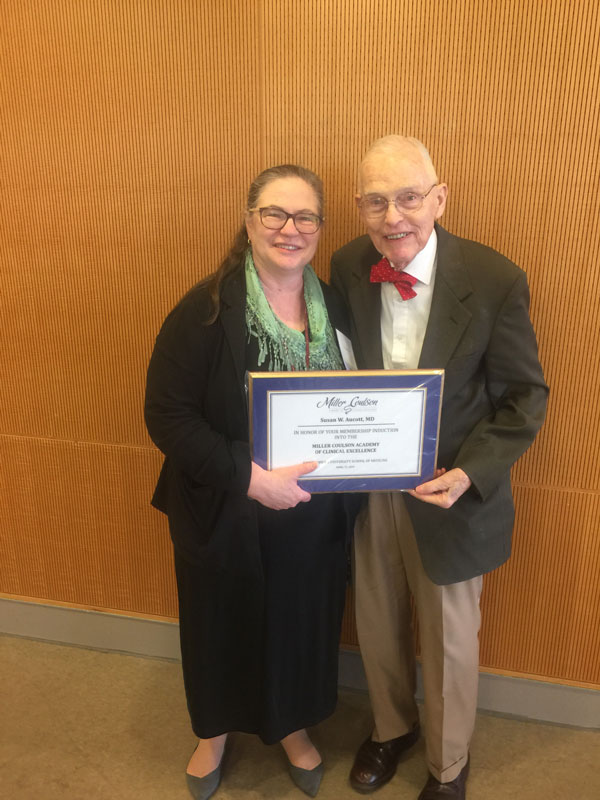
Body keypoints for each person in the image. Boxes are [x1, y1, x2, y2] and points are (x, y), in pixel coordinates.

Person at [330, 135, 548, 800]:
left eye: (408, 197)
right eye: (376, 201)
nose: (393, 216)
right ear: (359, 207)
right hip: (371, 483)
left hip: (451, 489)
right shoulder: (344, 265)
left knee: (450, 635)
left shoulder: (494, 278)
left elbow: (524, 396)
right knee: (377, 614)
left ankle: (449, 764)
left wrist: (471, 472)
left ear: (440, 198)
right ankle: (393, 727)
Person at [145, 164, 352, 800]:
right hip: (224, 505)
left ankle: (290, 727)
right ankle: (214, 732)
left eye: (305, 217)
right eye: (275, 214)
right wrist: (248, 477)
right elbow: (166, 415)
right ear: (249, 220)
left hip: (311, 511)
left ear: (320, 227)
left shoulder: (335, 303)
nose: (291, 229)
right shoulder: (205, 308)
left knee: (299, 619)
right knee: (218, 621)